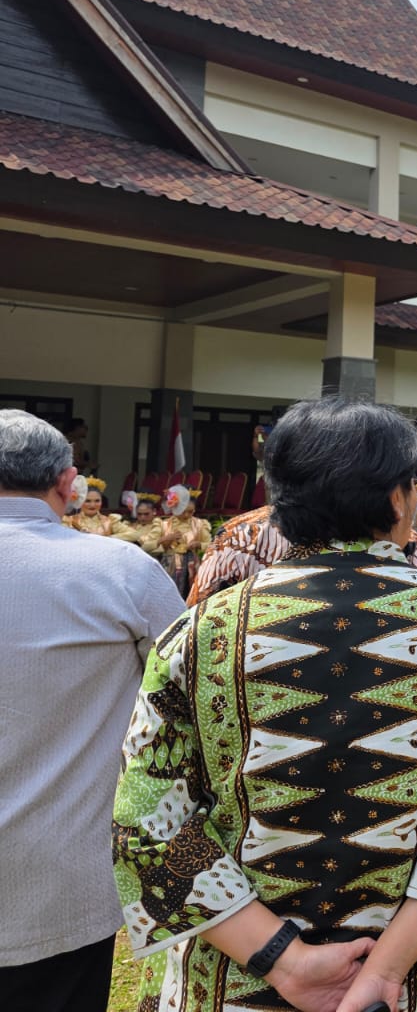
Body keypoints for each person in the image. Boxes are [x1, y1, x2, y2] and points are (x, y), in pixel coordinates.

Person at [113, 398, 417, 1012]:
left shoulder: (200, 632)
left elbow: (149, 821)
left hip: (234, 980)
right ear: (397, 500)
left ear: (281, 502)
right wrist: (384, 971)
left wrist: (285, 960)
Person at [0, 410, 184, 1012]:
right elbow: (191, 700)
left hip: (61, 887)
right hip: (60, 884)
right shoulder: (122, 571)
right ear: (67, 483)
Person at [157, 483, 211, 597]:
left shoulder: (200, 524)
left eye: (190, 512)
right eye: (183, 511)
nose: (186, 515)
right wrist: (167, 539)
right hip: (170, 564)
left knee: (190, 593)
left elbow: (211, 544)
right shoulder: (164, 524)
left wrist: (199, 544)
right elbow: (155, 547)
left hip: (192, 565)